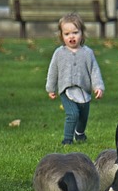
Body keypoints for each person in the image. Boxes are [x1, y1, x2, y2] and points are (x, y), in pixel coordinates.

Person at [45, 13, 105, 145]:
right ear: (62, 36)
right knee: (72, 114)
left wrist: (98, 87)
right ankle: (67, 140)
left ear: (82, 34)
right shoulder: (59, 53)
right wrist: (50, 88)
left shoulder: (87, 53)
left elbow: (94, 71)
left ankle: (80, 133)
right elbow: (53, 71)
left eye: (75, 32)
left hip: (84, 91)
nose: (71, 36)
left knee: (83, 116)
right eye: (67, 34)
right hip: (66, 90)